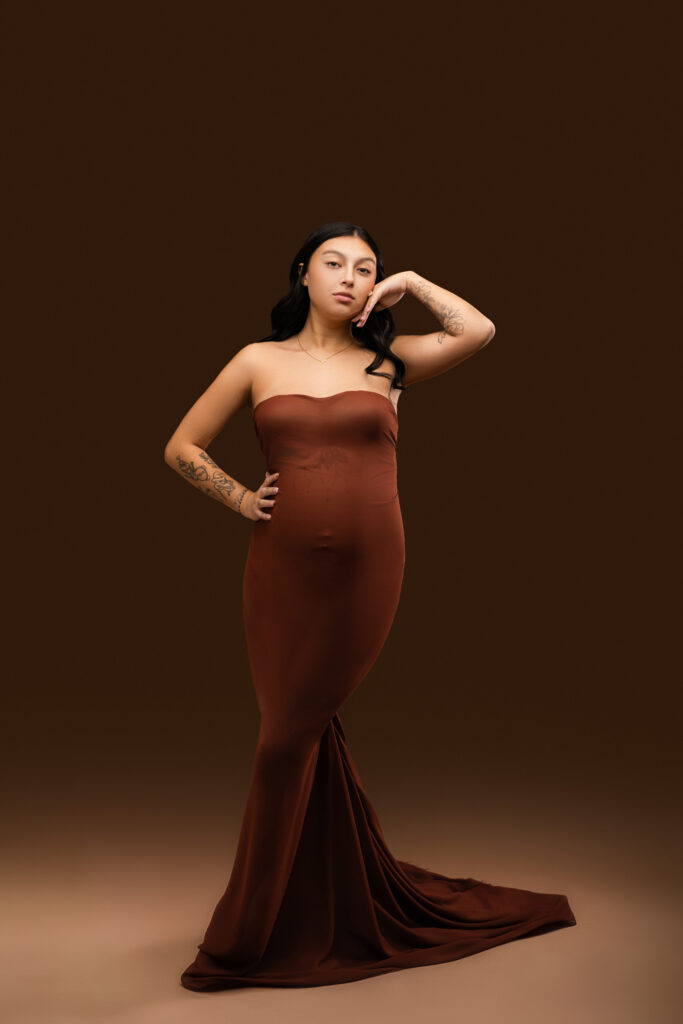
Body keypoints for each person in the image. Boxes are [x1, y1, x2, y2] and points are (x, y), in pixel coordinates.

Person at [164, 221, 576, 991]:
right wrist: (242, 497)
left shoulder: (391, 362)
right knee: (289, 734)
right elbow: (182, 446)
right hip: (278, 571)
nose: (351, 277)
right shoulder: (258, 360)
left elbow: (478, 329)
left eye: (366, 267)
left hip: (369, 570)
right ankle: (302, 911)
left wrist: (412, 284)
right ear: (302, 274)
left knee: (292, 736)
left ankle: (245, 934)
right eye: (334, 263)